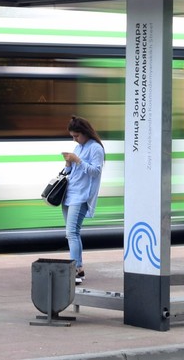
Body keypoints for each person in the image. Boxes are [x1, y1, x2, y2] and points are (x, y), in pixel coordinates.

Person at [61, 116, 105, 285]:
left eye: (76, 136)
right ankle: (78, 269)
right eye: (72, 136)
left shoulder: (95, 148)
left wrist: (77, 161)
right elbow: (71, 172)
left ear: (85, 133)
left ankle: (77, 270)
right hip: (70, 193)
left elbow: (95, 171)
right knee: (71, 233)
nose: (74, 139)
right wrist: (68, 163)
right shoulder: (78, 147)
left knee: (72, 233)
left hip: (81, 196)